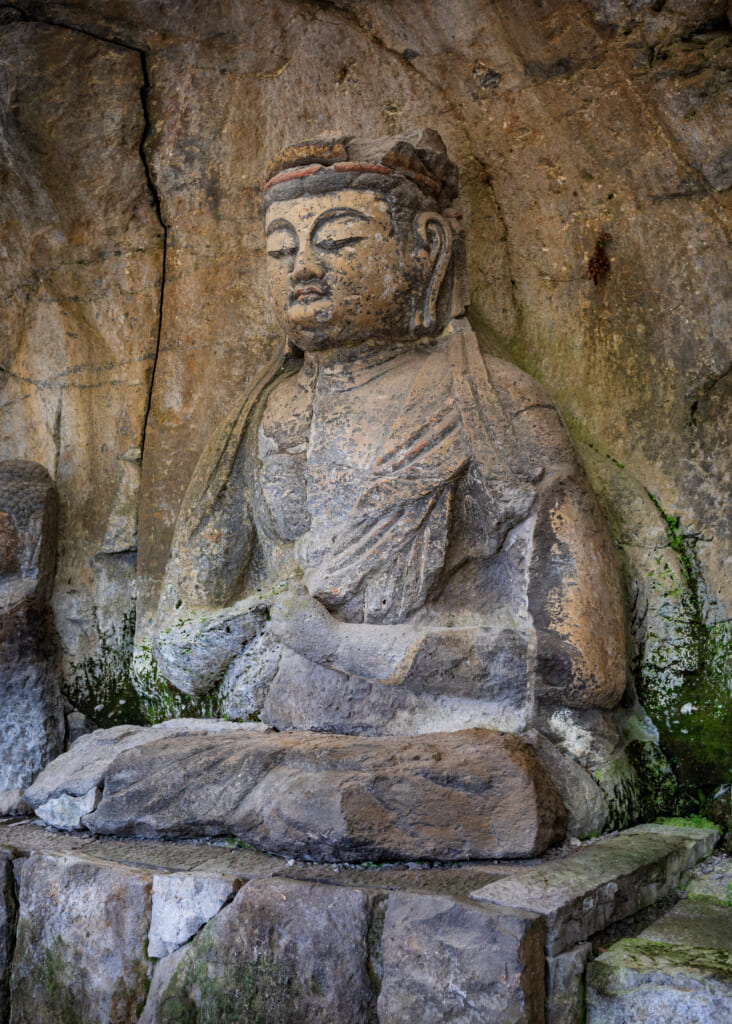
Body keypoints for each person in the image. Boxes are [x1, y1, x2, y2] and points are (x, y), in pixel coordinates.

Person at [153, 132, 626, 742]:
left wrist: (343, 646)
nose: (302, 269)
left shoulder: (493, 406)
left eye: (339, 241)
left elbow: (588, 666)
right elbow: (178, 644)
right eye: (280, 250)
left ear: (426, 249)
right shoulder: (261, 417)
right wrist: (250, 625)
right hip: (288, 735)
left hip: (447, 740)